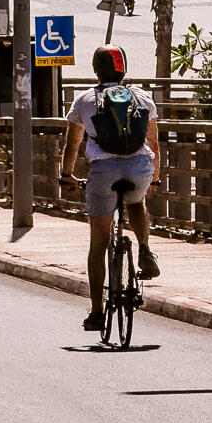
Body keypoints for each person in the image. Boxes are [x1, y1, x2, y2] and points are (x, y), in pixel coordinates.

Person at [59, 45, 160, 333]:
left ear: (95, 70)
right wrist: (154, 178)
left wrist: (66, 175)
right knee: (136, 202)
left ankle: (96, 312)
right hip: (141, 166)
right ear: (123, 68)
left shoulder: (85, 100)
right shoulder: (142, 97)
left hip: (103, 171)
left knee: (98, 244)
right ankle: (144, 249)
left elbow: (72, 144)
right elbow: (153, 144)